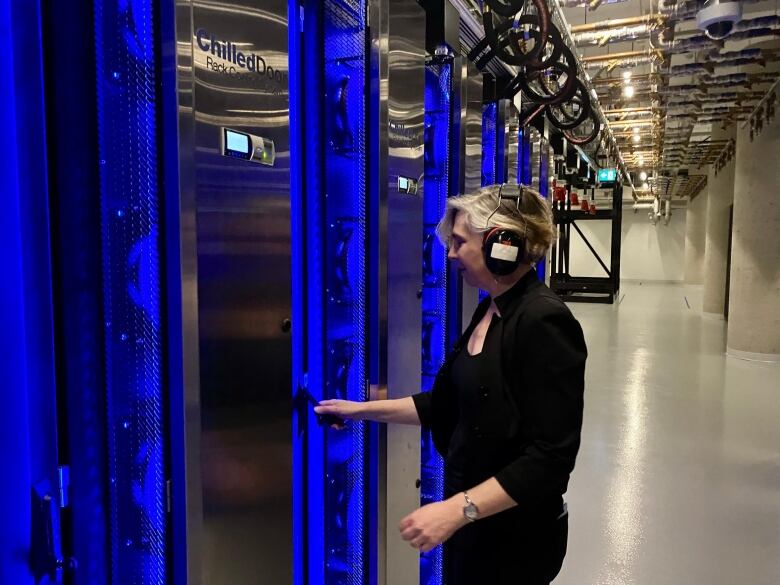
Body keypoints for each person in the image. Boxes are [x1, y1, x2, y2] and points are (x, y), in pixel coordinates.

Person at [315, 184, 587, 584]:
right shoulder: (490, 309)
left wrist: (456, 510)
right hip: (476, 527)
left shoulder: (542, 322)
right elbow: (444, 405)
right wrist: (357, 411)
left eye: (459, 243)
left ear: (503, 244)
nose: (450, 255)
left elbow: (550, 458)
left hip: (514, 541)